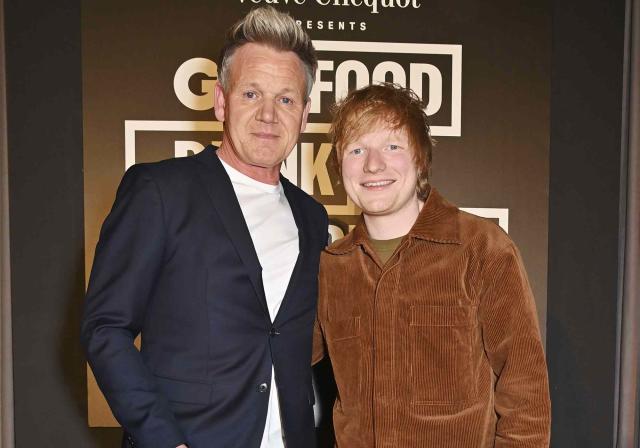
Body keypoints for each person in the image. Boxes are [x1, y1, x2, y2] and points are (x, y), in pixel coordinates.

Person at [81, 7, 328, 448]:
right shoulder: (160, 190)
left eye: (286, 99)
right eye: (252, 94)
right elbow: (105, 328)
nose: (269, 115)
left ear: (305, 115)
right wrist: (164, 440)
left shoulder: (312, 216)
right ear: (220, 100)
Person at [312, 83, 551, 447]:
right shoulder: (332, 267)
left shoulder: (482, 249)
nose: (373, 164)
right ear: (339, 165)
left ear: (420, 158)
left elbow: (526, 395)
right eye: (357, 150)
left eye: (392, 146)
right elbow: (273, 357)